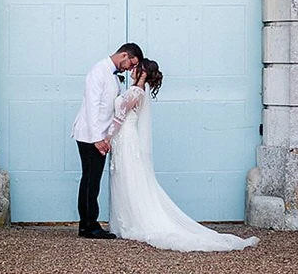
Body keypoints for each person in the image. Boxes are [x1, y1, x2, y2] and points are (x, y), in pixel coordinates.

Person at [107, 58, 259, 252]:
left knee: (129, 177)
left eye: (136, 68)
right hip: (125, 138)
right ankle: (127, 219)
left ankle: (131, 221)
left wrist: (107, 137)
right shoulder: (140, 91)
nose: (132, 70)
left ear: (143, 72)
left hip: (126, 138)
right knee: (127, 177)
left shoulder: (136, 92)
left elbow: (120, 117)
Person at [70, 42, 143, 238]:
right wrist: (97, 139)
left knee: (91, 179)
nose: (130, 69)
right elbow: (92, 107)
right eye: (131, 64)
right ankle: (89, 226)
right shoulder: (98, 71)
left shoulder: (110, 73)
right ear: (124, 55)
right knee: (91, 179)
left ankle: (86, 225)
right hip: (89, 135)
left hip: (99, 135)